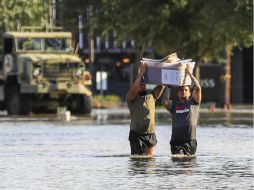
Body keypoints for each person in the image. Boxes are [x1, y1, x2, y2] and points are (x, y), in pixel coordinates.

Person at [162, 64, 202, 156]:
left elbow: (198, 88)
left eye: (185, 90)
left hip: (190, 141)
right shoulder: (174, 105)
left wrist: (190, 74)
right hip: (176, 141)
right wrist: (168, 85)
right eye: (181, 90)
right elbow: (165, 101)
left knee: (188, 166)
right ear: (177, 94)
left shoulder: (194, 103)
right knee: (178, 161)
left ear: (189, 93)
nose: (183, 92)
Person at [127, 62, 165, 156]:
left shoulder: (152, 95)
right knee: (137, 161)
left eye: (143, 83)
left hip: (150, 133)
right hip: (136, 133)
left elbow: (162, 85)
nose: (142, 85)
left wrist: (161, 68)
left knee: (150, 162)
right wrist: (141, 73)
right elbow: (134, 89)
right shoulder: (131, 97)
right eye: (140, 83)